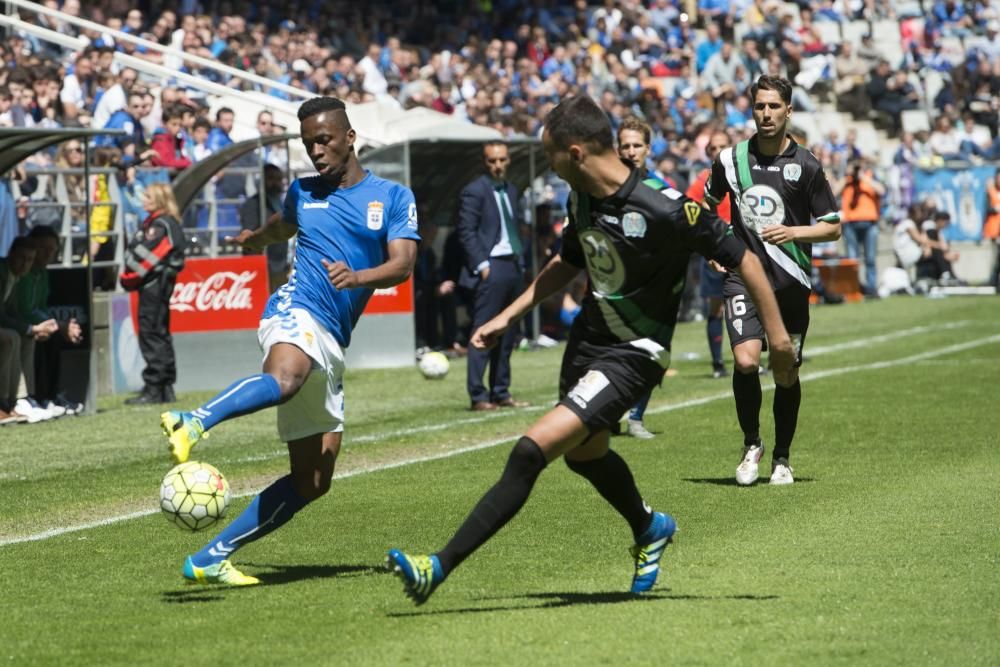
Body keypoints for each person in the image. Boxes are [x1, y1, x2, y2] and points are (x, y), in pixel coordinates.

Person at [387, 95, 794, 605]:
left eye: (551, 156)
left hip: (636, 352)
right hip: (588, 342)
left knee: (530, 451)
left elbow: (745, 259)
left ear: (575, 152)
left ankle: (436, 567)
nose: (547, 167)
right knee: (585, 455)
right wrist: (506, 317)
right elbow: (569, 261)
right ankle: (650, 527)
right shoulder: (579, 197)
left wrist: (777, 339)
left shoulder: (665, 206)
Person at [159, 97, 420, 586]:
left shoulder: (392, 196)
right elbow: (285, 224)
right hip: (294, 310)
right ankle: (192, 422)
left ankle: (211, 557)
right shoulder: (303, 191)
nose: (316, 151)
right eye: (308, 144)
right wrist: (258, 239)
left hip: (332, 336)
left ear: (349, 138)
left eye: (323, 140)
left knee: (314, 480)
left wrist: (359, 275)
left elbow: (403, 265)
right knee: (284, 378)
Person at [705, 75, 842, 486]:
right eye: (760, 106)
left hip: (790, 283)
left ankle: (782, 457)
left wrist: (793, 232)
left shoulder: (807, 164)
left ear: (788, 111)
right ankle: (752, 445)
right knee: (746, 361)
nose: (766, 114)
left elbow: (833, 227)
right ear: (752, 109)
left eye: (774, 107)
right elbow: (707, 208)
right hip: (743, 277)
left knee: (785, 371)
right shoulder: (730, 161)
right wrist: (715, 247)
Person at [458, 141, 530, 411]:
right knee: (483, 330)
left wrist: (521, 262)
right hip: (492, 267)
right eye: (492, 161)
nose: (498, 165)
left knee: (508, 331)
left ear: (509, 160)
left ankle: (501, 392)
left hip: (513, 265)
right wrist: (482, 264)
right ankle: (478, 395)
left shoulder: (511, 189)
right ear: (484, 163)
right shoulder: (474, 191)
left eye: (502, 160)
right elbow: (466, 232)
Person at [615, 116, 669, 440]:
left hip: (650, 285)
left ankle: (636, 416)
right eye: (626, 145)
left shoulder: (659, 189)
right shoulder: (603, 188)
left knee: (651, 353)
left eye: (637, 145)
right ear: (617, 149)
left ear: (648, 149)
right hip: (613, 286)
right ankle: (607, 415)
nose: (632, 151)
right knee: (613, 355)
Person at [119, 183, 186, 405]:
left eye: (147, 195)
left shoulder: (160, 225)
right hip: (160, 284)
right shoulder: (168, 222)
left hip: (154, 285)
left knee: (151, 333)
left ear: (158, 199)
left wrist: (128, 261)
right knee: (160, 333)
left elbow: (137, 256)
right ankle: (165, 387)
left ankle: (155, 388)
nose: (143, 199)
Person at [15, 226, 85, 416]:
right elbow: (24, 310)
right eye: (42, 248)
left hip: (31, 323)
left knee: (51, 336)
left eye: (52, 249)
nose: (47, 253)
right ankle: (35, 398)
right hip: (18, 323)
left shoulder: (42, 273)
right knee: (40, 336)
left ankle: (50, 397)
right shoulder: (24, 274)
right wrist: (56, 325)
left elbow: (40, 307)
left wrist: (56, 325)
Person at [686, 130, 732, 380]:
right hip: (715, 250)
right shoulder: (702, 181)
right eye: (714, 148)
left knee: (750, 305)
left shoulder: (741, 178)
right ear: (708, 152)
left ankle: (752, 358)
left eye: (723, 147)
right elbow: (689, 211)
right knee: (715, 308)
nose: (718, 152)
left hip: (742, 248)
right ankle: (717, 363)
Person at [0, 237, 59, 424]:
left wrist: (34, 330)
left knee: (24, 338)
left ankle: (21, 401)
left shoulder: (17, 276)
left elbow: (13, 312)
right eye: (21, 258)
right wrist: (32, 328)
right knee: (11, 337)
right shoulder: (2, 272)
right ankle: (3, 403)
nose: (25, 264)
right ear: (11, 255)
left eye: (29, 260)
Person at [239, 164, 288, 293]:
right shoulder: (253, 204)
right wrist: (256, 266)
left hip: (280, 265)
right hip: (263, 266)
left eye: (279, 179)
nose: (276, 183)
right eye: (271, 178)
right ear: (262, 180)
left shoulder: (280, 202)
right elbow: (249, 235)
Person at [840, 159, 885, 296]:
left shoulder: (870, 177)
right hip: (850, 223)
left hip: (870, 222)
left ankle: (871, 289)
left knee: (870, 258)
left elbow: (881, 191)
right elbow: (833, 191)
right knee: (852, 259)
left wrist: (862, 177)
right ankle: (854, 289)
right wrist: (846, 177)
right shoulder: (846, 180)